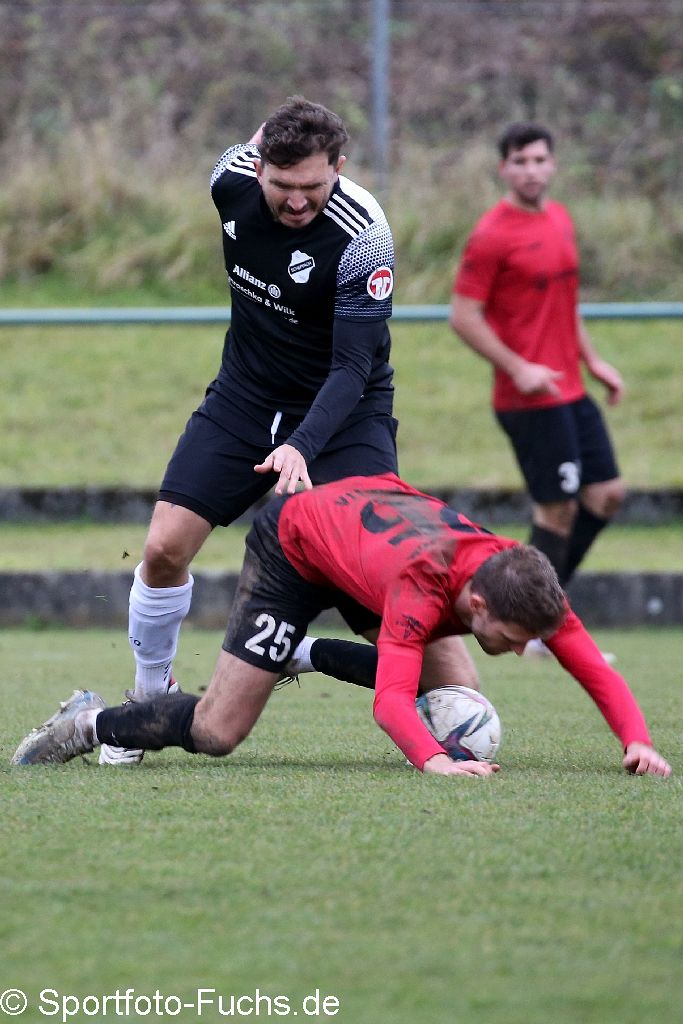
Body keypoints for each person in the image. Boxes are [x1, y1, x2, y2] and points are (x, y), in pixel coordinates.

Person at [103, 95, 477, 765]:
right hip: (244, 398)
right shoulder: (228, 179)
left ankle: (310, 655)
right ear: (258, 170)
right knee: (162, 548)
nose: (297, 201)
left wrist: (301, 446)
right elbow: (247, 144)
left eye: (313, 185)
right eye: (282, 185)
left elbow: (353, 366)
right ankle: (147, 701)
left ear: (339, 167)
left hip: (345, 414)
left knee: (440, 659)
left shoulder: (364, 235)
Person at [12, 473, 670, 779]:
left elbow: (589, 664)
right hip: (295, 550)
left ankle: (303, 653)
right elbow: (389, 704)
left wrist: (636, 742)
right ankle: (89, 724)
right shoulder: (422, 590)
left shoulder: (520, 577)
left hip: (363, 546)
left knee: (456, 696)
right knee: (217, 732)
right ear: (477, 606)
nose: (525, 650)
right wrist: (435, 762)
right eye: (517, 638)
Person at [449, 123, 625, 615]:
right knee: (557, 509)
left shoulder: (560, 218)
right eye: (520, 161)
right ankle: (530, 620)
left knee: (607, 494)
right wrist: (518, 367)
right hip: (527, 398)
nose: (531, 170)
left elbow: (564, 304)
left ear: (553, 164)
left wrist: (593, 361)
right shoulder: (491, 234)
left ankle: (539, 610)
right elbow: (463, 315)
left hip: (570, 389)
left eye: (539, 160)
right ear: (503, 168)